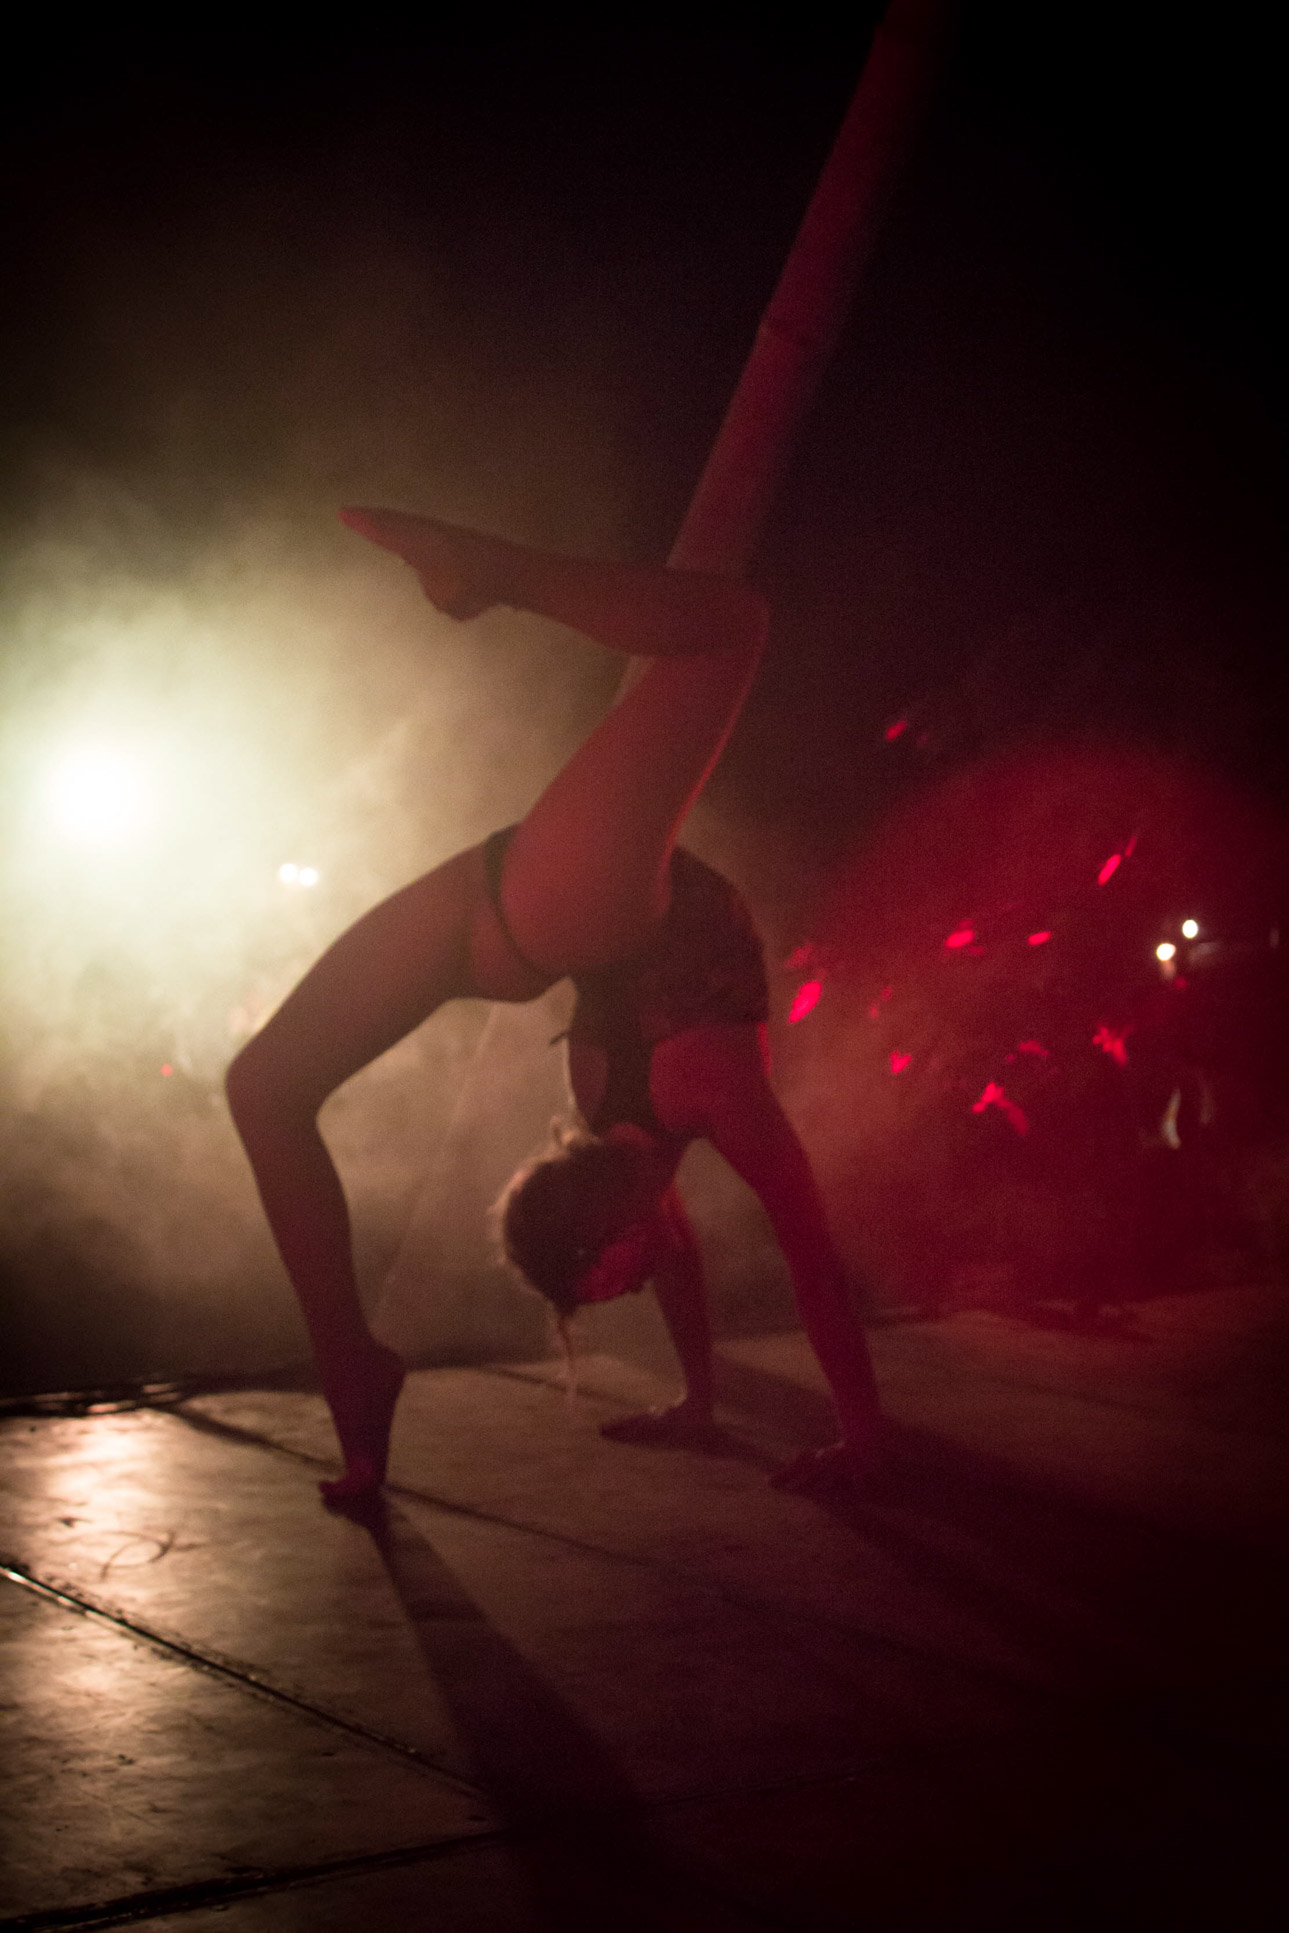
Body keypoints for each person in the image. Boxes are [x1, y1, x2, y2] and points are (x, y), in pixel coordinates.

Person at [226, 509, 881, 1503]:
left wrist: (711, 1399)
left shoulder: (635, 1100)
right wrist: (857, 1434)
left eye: (613, 1282)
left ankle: (350, 1374)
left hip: (554, 904)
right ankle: (354, 1390)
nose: (632, 1283)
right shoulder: (687, 1090)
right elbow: (808, 1261)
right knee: (263, 1087)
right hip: (522, 917)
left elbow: (706, 1254)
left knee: (265, 1084)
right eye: (618, 1282)